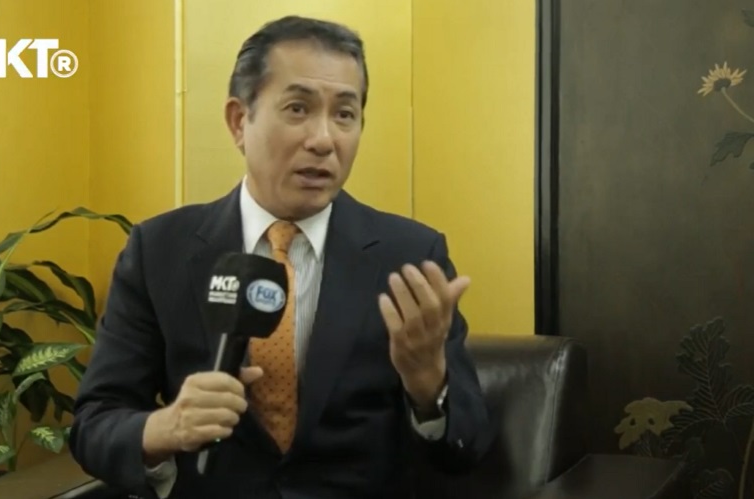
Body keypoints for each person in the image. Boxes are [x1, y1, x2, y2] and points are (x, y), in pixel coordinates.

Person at [68, 15, 492, 499]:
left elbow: (468, 449)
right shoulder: (159, 250)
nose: (324, 139)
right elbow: (94, 424)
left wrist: (428, 385)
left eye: (345, 114)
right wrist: (165, 428)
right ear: (239, 121)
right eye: (297, 108)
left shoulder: (410, 257)